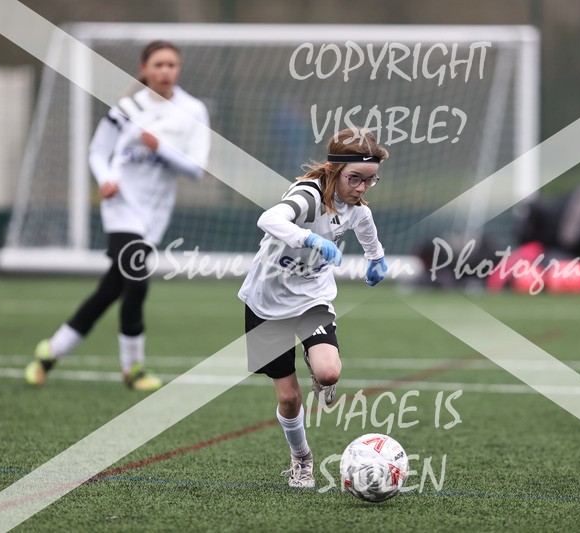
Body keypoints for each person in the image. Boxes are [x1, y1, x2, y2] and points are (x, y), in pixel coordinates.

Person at [25, 40, 211, 391]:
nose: (165, 71)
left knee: (111, 289)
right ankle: (133, 369)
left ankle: (51, 351)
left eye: (172, 65)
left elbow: (196, 170)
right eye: (158, 64)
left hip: (154, 214)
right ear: (144, 69)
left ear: (179, 69)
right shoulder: (128, 106)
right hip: (122, 206)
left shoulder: (193, 110)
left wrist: (161, 148)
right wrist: (107, 179)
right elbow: (98, 152)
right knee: (136, 282)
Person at [238, 127, 389, 488]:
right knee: (289, 399)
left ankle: (315, 360)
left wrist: (376, 260)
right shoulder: (307, 196)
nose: (362, 189)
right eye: (355, 179)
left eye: (370, 181)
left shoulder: (356, 209)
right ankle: (301, 458)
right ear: (334, 170)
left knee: (329, 374)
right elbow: (269, 220)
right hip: (268, 302)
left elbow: (367, 229)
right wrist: (309, 238)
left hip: (311, 298)